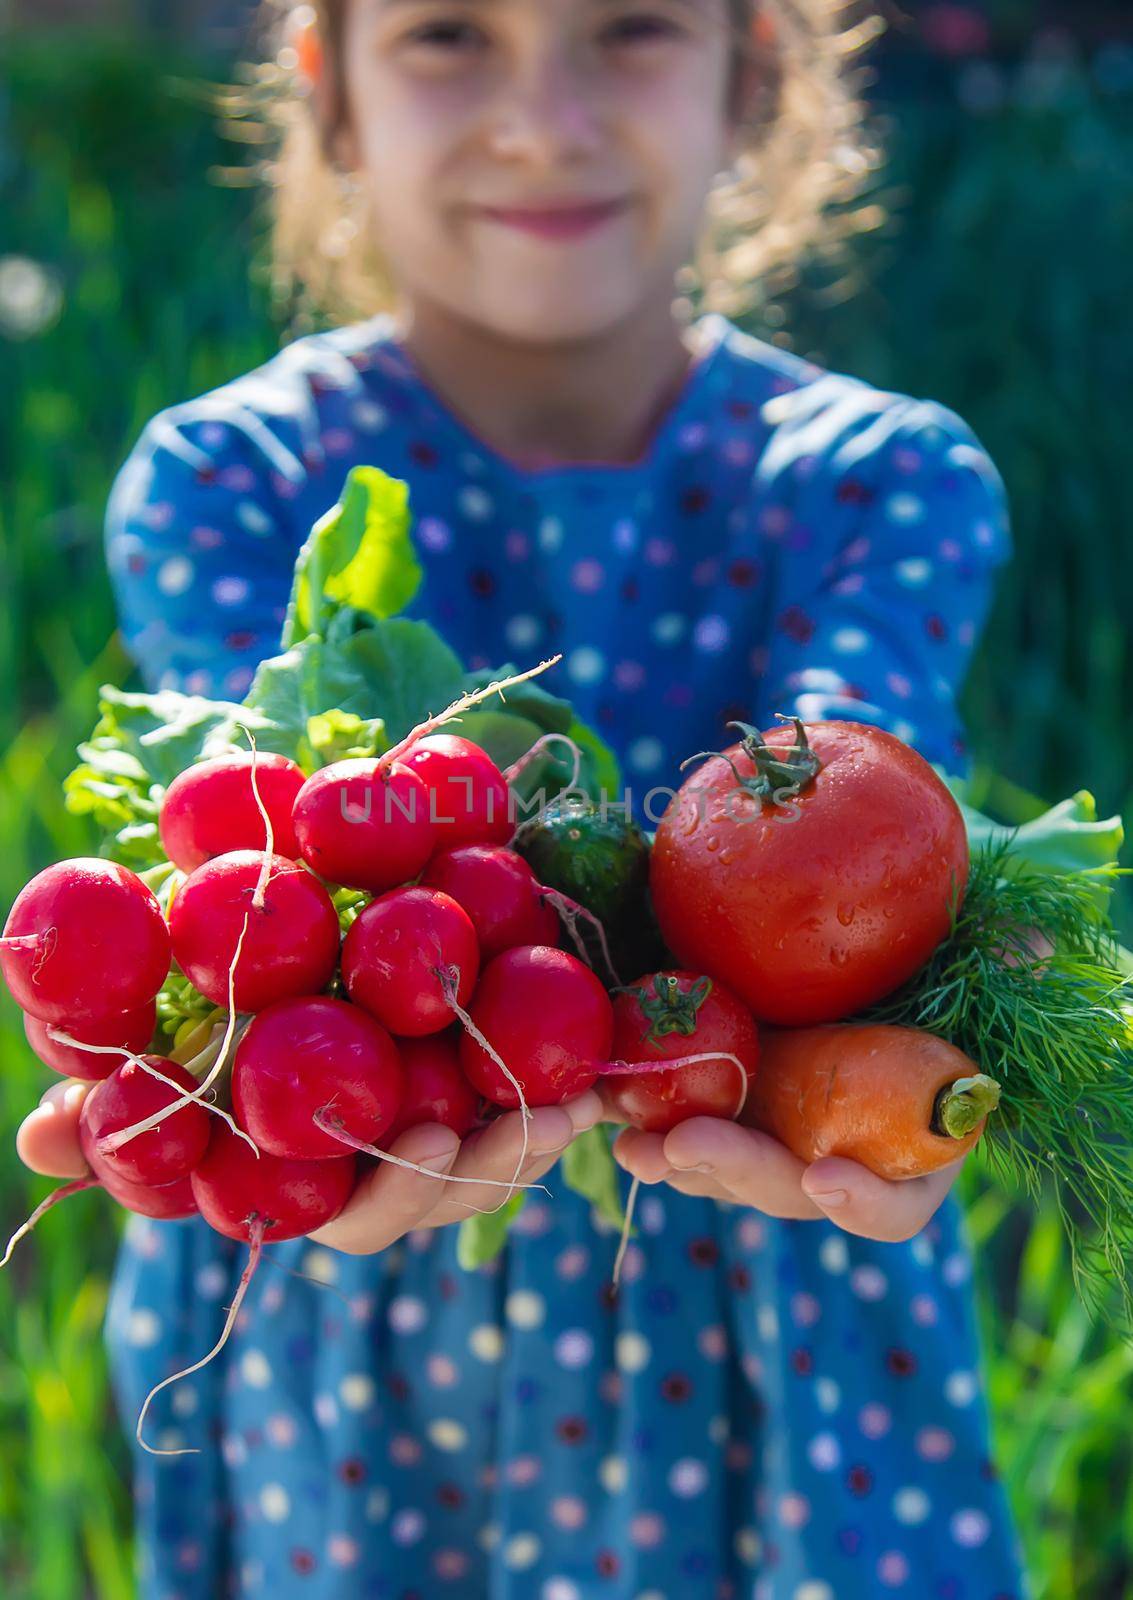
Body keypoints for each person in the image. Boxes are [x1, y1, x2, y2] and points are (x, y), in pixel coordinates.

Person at [17, 1, 1032, 1595]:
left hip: (771, 1296)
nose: (540, 117)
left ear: (747, 80)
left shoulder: (875, 478)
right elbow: (241, 828)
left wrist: (867, 1051)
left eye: (629, 28)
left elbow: (862, 787)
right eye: (445, 36)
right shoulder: (228, 479)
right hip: (351, 1251)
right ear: (328, 90)